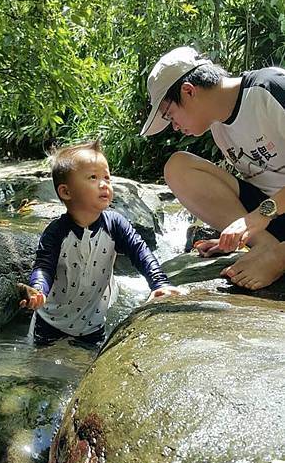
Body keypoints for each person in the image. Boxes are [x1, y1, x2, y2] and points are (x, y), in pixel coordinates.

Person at [141, 45, 285, 290]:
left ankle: (280, 257)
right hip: (272, 215)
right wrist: (240, 236)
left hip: (269, 212)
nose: (174, 126)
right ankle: (266, 245)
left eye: (169, 114)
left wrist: (256, 219)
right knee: (178, 167)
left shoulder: (270, 89)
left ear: (188, 91)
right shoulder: (219, 127)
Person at [18, 140, 182, 346]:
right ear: (66, 192)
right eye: (93, 177)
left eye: (107, 177)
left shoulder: (115, 224)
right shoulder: (56, 232)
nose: (104, 184)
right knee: (44, 368)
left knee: (87, 366)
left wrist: (159, 283)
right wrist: (38, 290)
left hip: (92, 322)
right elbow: (44, 267)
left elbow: (140, 252)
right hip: (50, 320)